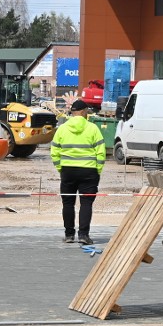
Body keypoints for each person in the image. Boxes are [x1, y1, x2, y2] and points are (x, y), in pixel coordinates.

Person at [50, 99, 106, 245]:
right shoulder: (93, 128)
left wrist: (60, 168)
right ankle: (83, 235)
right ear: (83, 112)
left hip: (68, 171)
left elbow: (54, 151)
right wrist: (97, 170)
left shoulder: (62, 128)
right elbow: (101, 152)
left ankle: (69, 235)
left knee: (67, 203)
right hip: (89, 171)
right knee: (86, 203)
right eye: (87, 111)